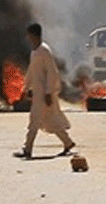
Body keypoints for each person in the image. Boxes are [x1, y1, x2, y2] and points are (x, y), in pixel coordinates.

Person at [14, 23, 75, 159]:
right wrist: (26, 88)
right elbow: (31, 72)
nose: (27, 37)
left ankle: (27, 149)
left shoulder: (44, 50)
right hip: (38, 92)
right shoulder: (35, 52)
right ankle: (68, 142)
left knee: (34, 121)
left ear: (34, 35)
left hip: (44, 94)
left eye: (29, 35)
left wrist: (48, 92)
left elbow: (52, 72)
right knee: (50, 120)